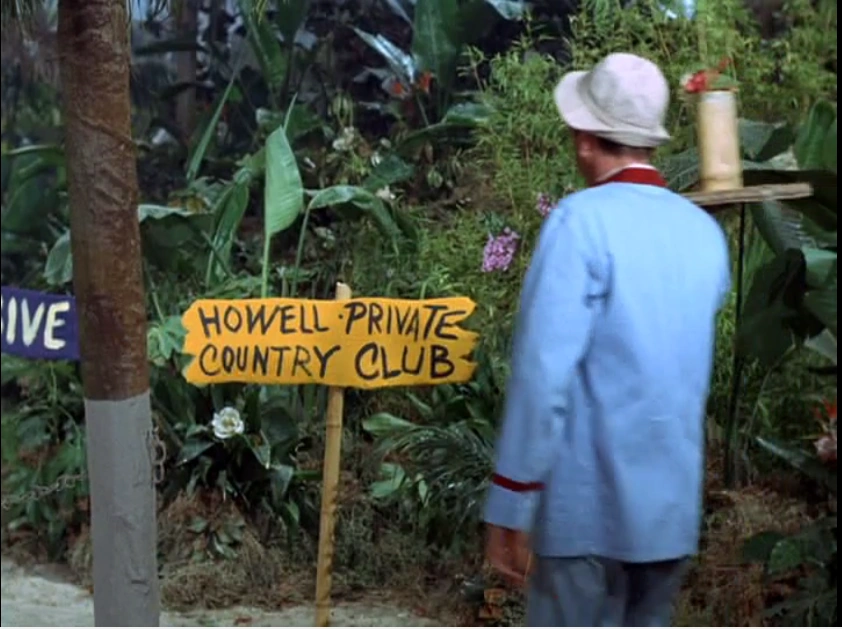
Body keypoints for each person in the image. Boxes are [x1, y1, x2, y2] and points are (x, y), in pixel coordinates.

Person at [482, 52, 732, 627]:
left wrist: (512, 497)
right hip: (668, 514)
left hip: (584, 510)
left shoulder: (579, 222)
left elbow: (542, 375)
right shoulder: (703, 233)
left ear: (586, 140)